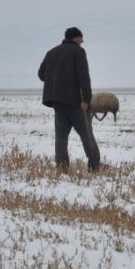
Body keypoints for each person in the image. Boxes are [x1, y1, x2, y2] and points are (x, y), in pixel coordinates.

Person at [38, 27, 101, 171]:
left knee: (61, 136)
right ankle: (95, 165)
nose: (83, 41)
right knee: (86, 134)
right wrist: (86, 100)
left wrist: (56, 77)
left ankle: (62, 168)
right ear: (75, 38)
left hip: (57, 102)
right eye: (81, 38)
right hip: (74, 102)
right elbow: (84, 77)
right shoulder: (78, 52)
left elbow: (41, 75)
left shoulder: (51, 52)